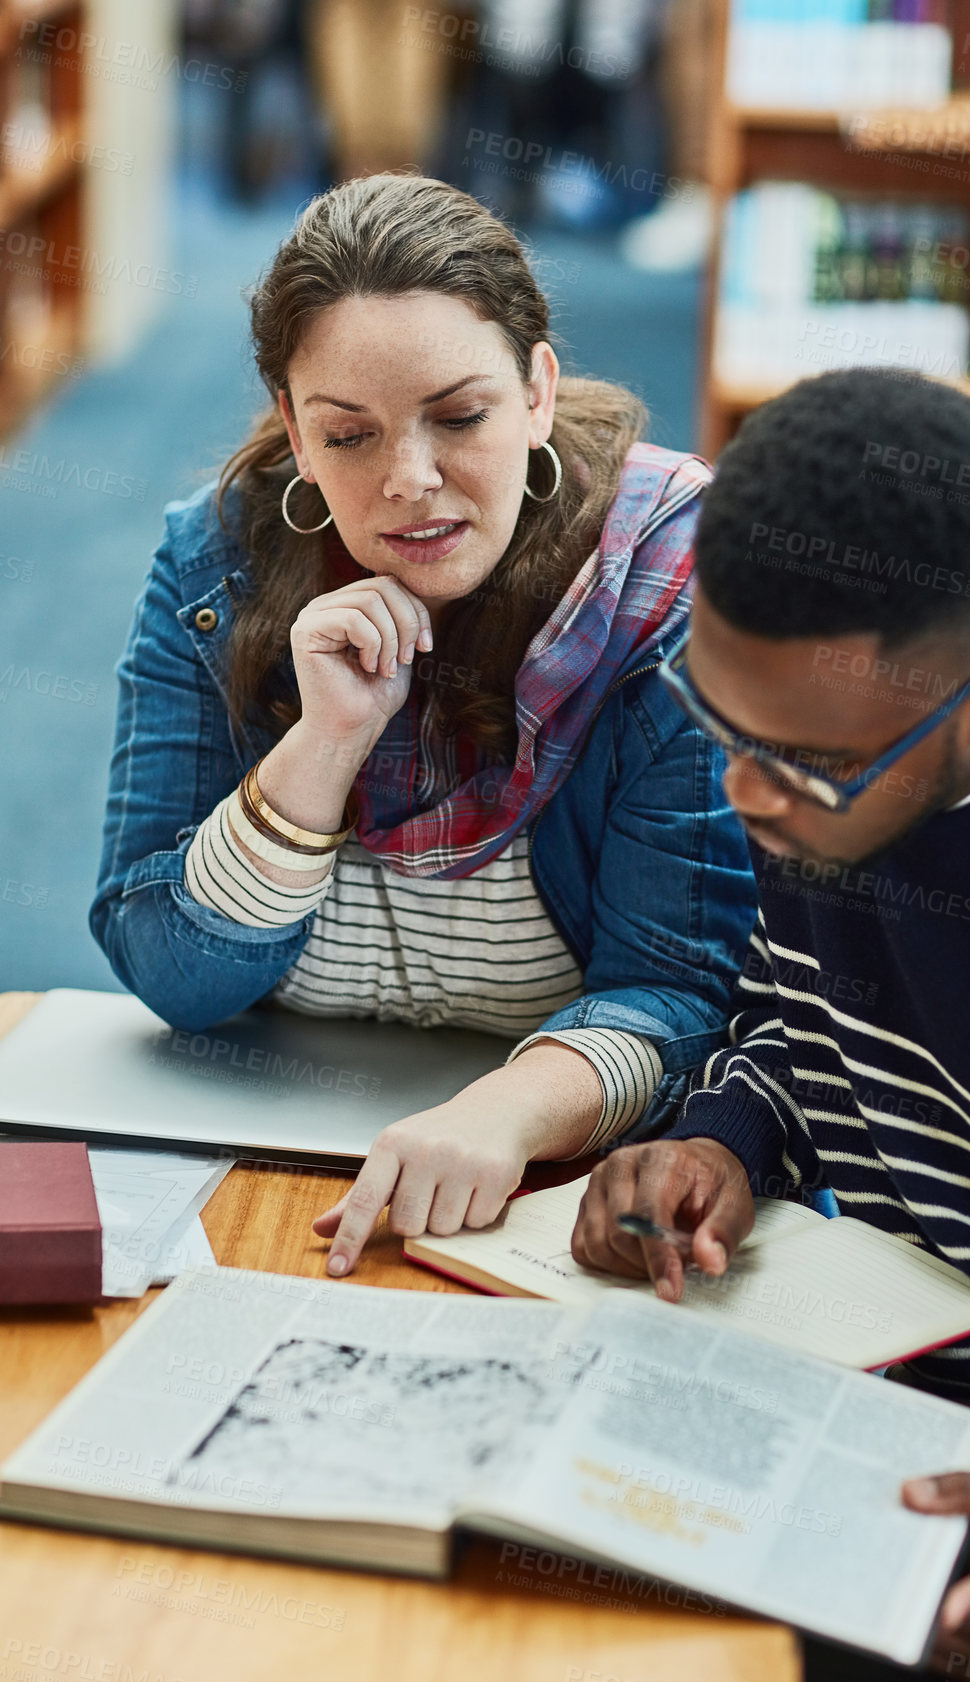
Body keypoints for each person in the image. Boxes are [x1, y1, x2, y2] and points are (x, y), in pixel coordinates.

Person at [571, 368, 970, 1682]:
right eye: (712, 713)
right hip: (882, 1368)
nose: (739, 790)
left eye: (788, 761)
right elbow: (797, 1007)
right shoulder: (827, 751)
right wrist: (723, 1134)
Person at [90, 174, 755, 1264]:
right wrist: (324, 744)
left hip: (545, 1182)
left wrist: (507, 1109)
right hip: (250, 1160)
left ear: (538, 391)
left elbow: (681, 994)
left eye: (461, 417)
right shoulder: (211, 564)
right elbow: (167, 969)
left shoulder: (667, 589)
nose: (411, 481)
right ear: (295, 435)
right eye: (349, 435)